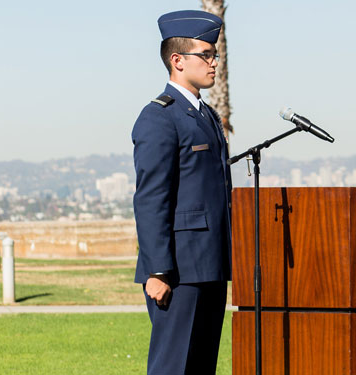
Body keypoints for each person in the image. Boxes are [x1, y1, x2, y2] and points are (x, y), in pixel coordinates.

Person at [132, 10, 232, 374]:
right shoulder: (159, 117)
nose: (214, 62)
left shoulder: (206, 117)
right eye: (205, 54)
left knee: (201, 365)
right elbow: (151, 199)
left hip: (210, 264)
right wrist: (157, 271)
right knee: (173, 367)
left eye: (215, 54)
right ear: (177, 60)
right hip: (177, 270)